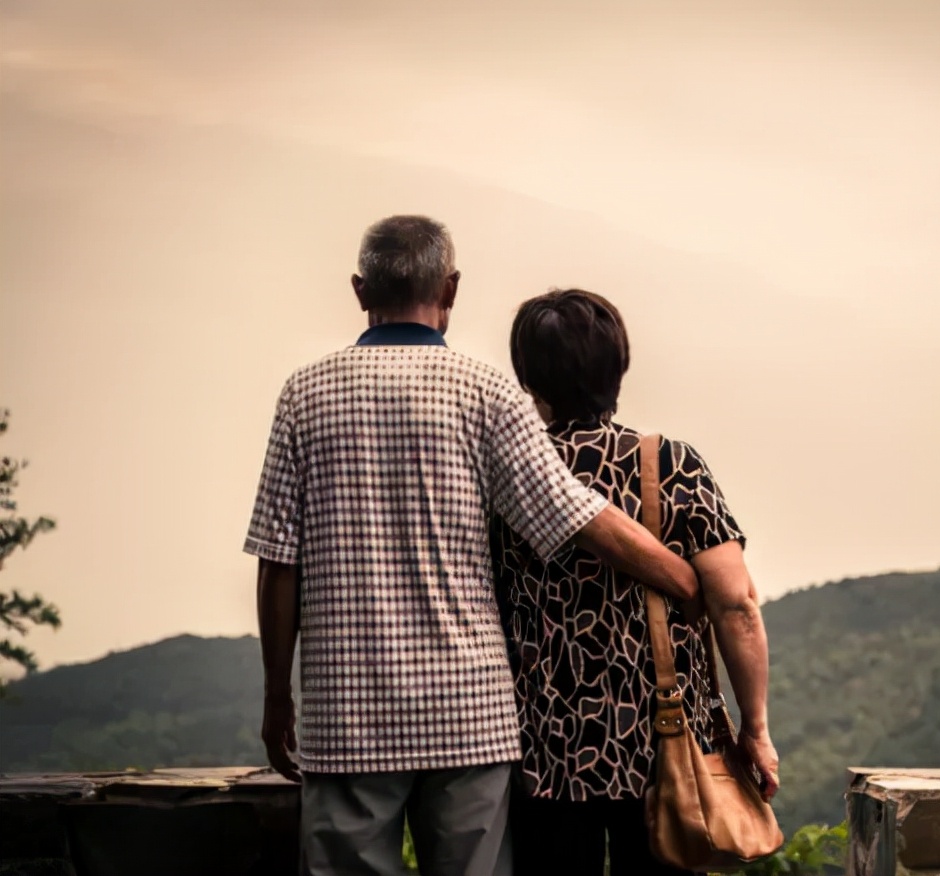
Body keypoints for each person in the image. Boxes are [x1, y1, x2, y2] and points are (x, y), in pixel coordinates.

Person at [244, 217, 700, 876]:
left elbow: (278, 563)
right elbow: (579, 517)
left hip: (345, 711)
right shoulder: (485, 393)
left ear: (358, 289)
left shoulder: (304, 394)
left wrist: (277, 698)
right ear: (450, 288)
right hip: (470, 713)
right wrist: (686, 581)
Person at [491, 288, 779, 876]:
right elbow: (736, 604)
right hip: (666, 748)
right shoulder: (671, 462)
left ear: (528, 378)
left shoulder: (505, 475)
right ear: (618, 367)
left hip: (540, 747)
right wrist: (755, 728)